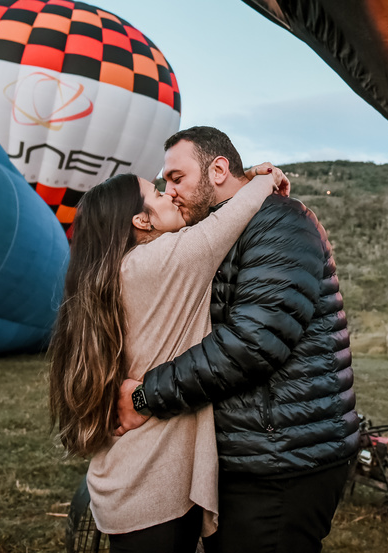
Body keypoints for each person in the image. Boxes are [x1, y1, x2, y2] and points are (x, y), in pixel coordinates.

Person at [115, 126, 358, 553]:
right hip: (252, 450)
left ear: (220, 169)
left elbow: (252, 343)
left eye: (176, 178)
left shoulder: (282, 222)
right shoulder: (222, 229)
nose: (169, 192)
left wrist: (145, 397)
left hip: (284, 454)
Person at [47, 162, 287, 552]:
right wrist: (264, 177)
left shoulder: (116, 270)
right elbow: (236, 212)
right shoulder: (165, 260)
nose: (170, 194)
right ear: (142, 220)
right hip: (151, 480)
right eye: (159, 193)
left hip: (126, 474)